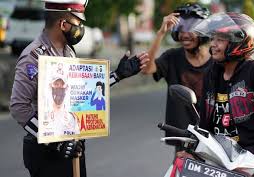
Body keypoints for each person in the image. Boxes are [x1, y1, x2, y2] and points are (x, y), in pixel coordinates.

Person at [9, 0, 149, 177]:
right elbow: (19, 107)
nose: (81, 28)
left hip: (73, 146)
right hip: (46, 153)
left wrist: (117, 75)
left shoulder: (69, 51)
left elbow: (79, 93)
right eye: (78, 23)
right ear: (63, 24)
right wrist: (56, 142)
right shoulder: (34, 56)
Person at [186, 12, 254, 177]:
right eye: (213, 38)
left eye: (220, 39)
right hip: (220, 155)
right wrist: (193, 150)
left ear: (239, 42)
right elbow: (205, 118)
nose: (213, 45)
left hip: (253, 157)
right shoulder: (211, 73)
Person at [141, 4, 212, 152]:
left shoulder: (217, 61)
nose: (185, 35)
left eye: (191, 29)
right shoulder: (172, 57)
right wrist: (161, 33)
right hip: (183, 137)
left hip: (212, 136)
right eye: (180, 29)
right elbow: (147, 69)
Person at [46, 70, 80, 136]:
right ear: (50, 87)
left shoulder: (72, 117)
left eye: (62, 85)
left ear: (66, 88)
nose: (59, 87)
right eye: (56, 84)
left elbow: (77, 139)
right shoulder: (44, 115)